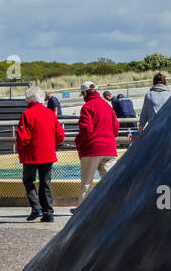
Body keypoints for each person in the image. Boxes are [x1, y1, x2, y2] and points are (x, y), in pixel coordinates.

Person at [16, 86, 65, 222]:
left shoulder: (27, 114)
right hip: (48, 153)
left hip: (31, 154)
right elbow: (60, 134)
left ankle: (36, 207)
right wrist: (52, 145)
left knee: (28, 180)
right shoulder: (50, 113)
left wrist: (21, 152)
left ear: (28, 99)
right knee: (45, 183)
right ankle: (48, 213)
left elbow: (23, 138)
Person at [75, 81, 120, 200]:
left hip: (92, 150)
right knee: (112, 182)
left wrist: (78, 141)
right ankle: (117, 207)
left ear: (85, 93)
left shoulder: (87, 107)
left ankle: (82, 211)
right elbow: (116, 128)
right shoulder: (107, 105)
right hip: (109, 149)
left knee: (86, 184)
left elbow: (86, 129)